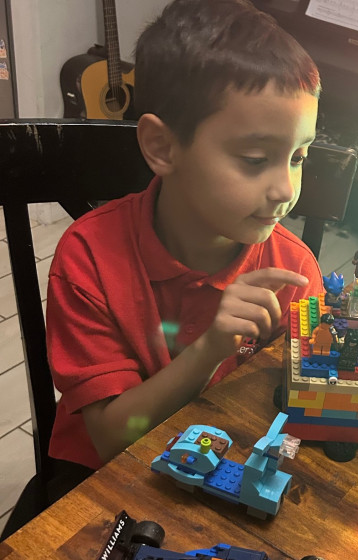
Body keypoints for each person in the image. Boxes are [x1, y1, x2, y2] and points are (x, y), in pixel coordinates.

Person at [46, 0, 323, 473]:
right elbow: (111, 440)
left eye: (298, 157)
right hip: (98, 480)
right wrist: (209, 350)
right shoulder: (88, 258)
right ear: (162, 146)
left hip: (222, 472)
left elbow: (290, 416)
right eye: (256, 160)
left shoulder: (292, 273)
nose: (286, 190)